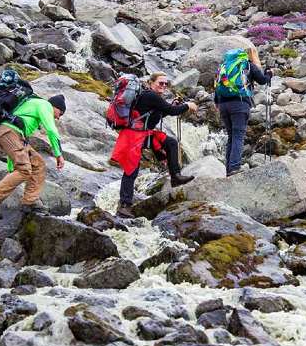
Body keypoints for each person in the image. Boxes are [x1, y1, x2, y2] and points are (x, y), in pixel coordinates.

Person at [111, 72, 197, 217]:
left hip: (142, 134)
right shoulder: (151, 96)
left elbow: (157, 114)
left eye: (166, 84)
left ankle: (175, 176)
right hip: (133, 136)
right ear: (151, 82)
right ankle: (124, 205)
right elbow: (172, 111)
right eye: (160, 83)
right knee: (131, 169)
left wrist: (172, 106)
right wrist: (187, 105)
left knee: (170, 143)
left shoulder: (149, 96)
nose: (163, 86)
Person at [0, 94, 66, 218]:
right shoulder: (45, 105)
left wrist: (11, 167)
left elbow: (14, 148)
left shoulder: (32, 104)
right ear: (55, 107)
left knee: (38, 164)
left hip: (15, 135)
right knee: (24, 170)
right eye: (60, 113)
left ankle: (29, 202)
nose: (58, 117)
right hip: (10, 132)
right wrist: (58, 154)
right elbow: (51, 130)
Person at [214, 43, 272, 176]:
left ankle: (229, 168)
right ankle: (234, 168)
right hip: (240, 104)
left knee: (231, 137)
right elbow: (263, 80)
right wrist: (269, 74)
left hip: (223, 105)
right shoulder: (247, 65)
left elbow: (216, 87)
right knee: (238, 136)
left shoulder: (223, 67)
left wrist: (217, 103)